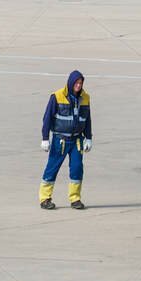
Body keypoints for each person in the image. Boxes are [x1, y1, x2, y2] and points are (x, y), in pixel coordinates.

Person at [39, 70, 92, 210]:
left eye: (81, 83)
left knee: (77, 168)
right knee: (52, 167)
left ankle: (75, 198)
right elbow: (47, 118)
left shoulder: (85, 98)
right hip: (60, 140)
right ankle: (45, 198)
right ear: (70, 82)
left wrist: (89, 138)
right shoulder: (56, 96)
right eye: (76, 83)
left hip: (77, 141)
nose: (79, 86)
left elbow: (87, 120)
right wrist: (45, 138)